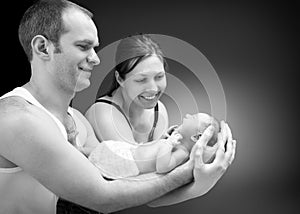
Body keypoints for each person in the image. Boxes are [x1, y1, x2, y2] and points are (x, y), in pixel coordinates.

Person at [0, 1, 236, 214]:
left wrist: (200, 183)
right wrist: (189, 171)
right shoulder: (17, 117)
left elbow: (125, 183)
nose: (96, 58)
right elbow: (103, 197)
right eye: (83, 46)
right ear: (43, 48)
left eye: (94, 48)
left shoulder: (77, 122)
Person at [85, 34, 169, 144]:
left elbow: (161, 158)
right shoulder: (102, 112)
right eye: (141, 80)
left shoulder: (159, 110)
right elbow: (133, 160)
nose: (153, 88)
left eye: (159, 77)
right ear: (120, 79)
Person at [89, 113, 220, 179]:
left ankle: (79, 153)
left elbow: (162, 167)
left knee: (98, 162)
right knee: (102, 149)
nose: (187, 115)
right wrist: (165, 138)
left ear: (196, 137)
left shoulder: (183, 152)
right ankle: (80, 150)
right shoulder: (176, 142)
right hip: (130, 151)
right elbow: (156, 148)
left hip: (129, 163)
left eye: (193, 118)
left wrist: (168, 144)